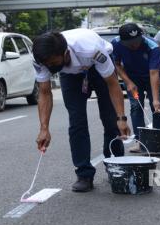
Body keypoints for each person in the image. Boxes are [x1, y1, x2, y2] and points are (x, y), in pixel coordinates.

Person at [32, 29, 131, 192]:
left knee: (110, 119)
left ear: (64, 53)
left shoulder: (90, 49)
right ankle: (84, 174)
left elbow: (113, 83)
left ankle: (116, 165)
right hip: (71, 77)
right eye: (47, 64)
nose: (50, 66)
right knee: (76, 121)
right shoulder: (40, 59)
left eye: (52, 62)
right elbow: (44, 92)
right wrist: (44, 129)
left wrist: (121, 118)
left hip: (96, 68)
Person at [111, 23, 160, 153]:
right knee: (136, 106)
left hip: (152, 75)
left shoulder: (152, 46)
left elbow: (154, 73)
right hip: (132, 77)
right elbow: (116, 64)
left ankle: (158, 140)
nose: (135, 45)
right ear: (123, 41)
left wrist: (156, 99)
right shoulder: (116, 43)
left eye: (137, 41)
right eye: (130, 43)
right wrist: (128, 82)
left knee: (156, 107)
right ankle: (140, 142)